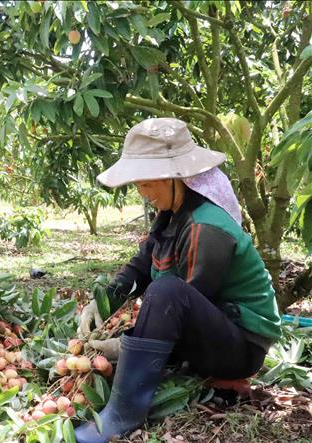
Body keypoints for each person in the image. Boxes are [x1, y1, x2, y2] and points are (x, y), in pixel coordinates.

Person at [74, 118, 281, 443]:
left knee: (167, 291)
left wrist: (127, 345)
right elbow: (142, 265)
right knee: (161, 290)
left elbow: (180, 304)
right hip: (214, 331)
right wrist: (102, 303)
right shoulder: (174, 215)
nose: (142, 193)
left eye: (145, 184)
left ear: (175, 177)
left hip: (240, 346)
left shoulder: (206, 228)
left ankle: (121, 414)